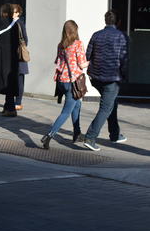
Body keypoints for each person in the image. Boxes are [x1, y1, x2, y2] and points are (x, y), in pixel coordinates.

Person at [83, 10, 129, 152]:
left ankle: (115, 134)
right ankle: (90, 137)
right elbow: (124, 59)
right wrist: (125, 75)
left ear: (105, 21)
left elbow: (88, 55)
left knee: (111, 103)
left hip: (96, 77)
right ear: (118, 21)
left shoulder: (96, 35)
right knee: (106, 107)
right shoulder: (122, 37)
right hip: (112, 78)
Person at [41, 20, 89, 149]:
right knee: (66, 112)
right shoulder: (78, 44)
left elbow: (58, 61)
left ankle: (77, 133)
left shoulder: (61, 45)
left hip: (62, 81)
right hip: (73, 82)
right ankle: (49, 135)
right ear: (74, 31)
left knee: (77, 105)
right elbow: (82, 64)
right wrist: (91, 61)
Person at [0, 3, 20, 116]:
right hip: (13, 57)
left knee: (5, 81)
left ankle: (10, 109)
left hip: (3, 57)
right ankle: (8, 107)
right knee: (10, 81)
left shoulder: (1, 22)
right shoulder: (16, 24)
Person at [12, 4, 28, 110]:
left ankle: (18, 102)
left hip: (18, 56)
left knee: (19, 79)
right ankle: (12, 102)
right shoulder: (9, 24)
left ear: (18, 13)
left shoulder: (19, 23)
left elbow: (25, 40)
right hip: (11, 57)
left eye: (13, 12)